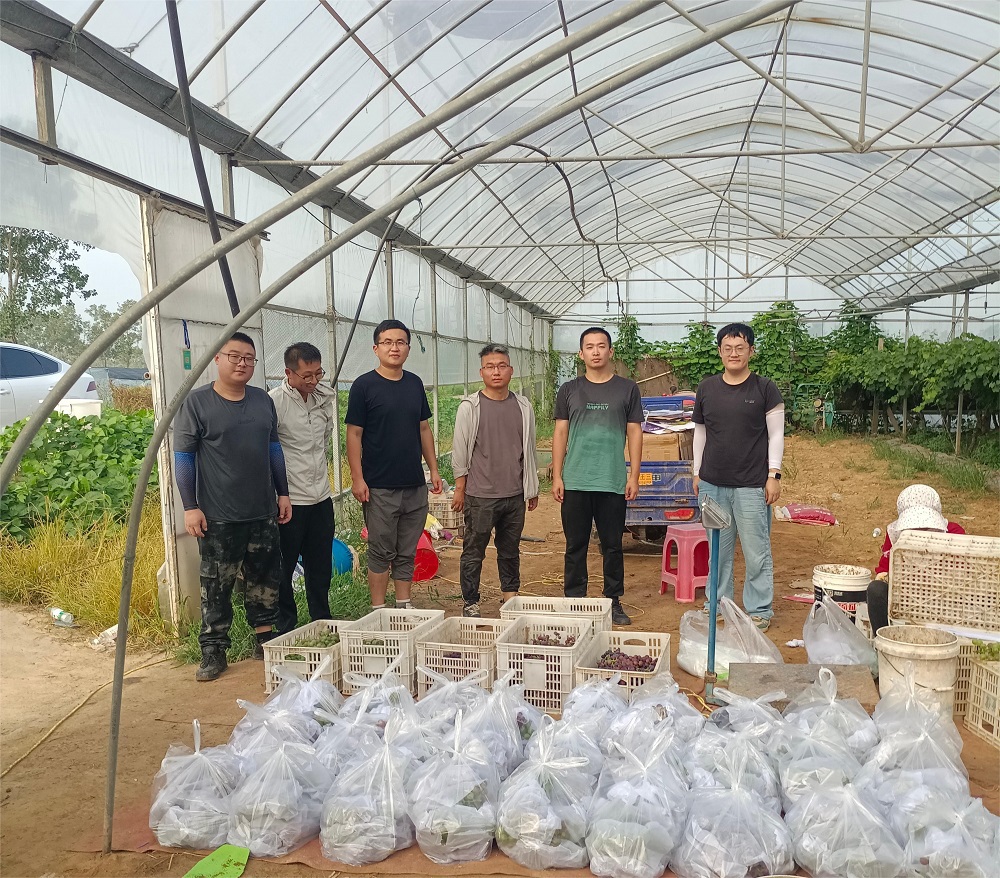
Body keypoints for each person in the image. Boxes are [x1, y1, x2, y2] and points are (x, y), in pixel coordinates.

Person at [174, 332, 292, 682]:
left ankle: (265, 639)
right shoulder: (197, 403)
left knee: (265, 579)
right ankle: (213, 650)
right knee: (216, 585)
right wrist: (190, 506)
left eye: (249, 358)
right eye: (235, 356)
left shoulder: (261, 400)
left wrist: (283, 493)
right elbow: (184, 458)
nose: (242, 363)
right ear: (218, 358)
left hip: (262, 511)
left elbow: (274, 449)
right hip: (219, 516)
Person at [692, 322, 784, 632]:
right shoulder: (707, 389)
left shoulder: (765, 389)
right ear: (720, 352)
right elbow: (700, 433)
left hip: (751, 484)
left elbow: (776, 435)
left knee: (757, 552)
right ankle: (718, 605)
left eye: (740, 348)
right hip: (712, 483)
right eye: (728, 348)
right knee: (718, 551)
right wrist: (697, 472)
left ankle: (759, 610)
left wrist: (774, 474)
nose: (734, 353)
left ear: (751, 351)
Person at [346, 319, 442, 610]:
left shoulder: (414, 383)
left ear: (408, 349)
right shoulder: (364, 386)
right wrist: (358, 478)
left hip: (413, 483)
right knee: (380, 550)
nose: (394, 348)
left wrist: (434, 469)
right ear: (376, 348)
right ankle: (378, 608)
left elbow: (423, 428)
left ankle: (403, 604)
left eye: (400, 342)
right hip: (379, 486)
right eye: (387, 342)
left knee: (407, 549)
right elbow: (354, 434)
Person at [552, 326, 642, 626]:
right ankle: (574, 600)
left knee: (613, 545)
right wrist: (557, 475)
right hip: (576, 479)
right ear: (581, 354)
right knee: (575, 545)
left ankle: (613, 600)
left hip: (612, 480)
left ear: (610, 351)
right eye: (589, 346)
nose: (595, 351)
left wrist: (634, 475)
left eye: (601, 346)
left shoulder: (627, 389)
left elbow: (634, 432)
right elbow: (560, 432)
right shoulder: (569, 390)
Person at [451, 344, 539, 617]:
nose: (496, 371)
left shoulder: (523, 406)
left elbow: (529, 450)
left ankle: (510, 598)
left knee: (510, 549)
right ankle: (471, 602)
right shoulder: (470, 408)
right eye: (490, 367)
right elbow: (460, 451)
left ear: (511, 371)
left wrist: (531, 487)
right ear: (482, 373)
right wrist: (460, 488)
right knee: (474, 550)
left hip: (514, 494)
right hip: (480, 495)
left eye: (502, 366)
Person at [270, 341, 335, 634]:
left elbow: (324, 441)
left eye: (318, 373)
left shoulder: (323, 397)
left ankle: (322, 619)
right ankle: (286, 624)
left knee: (319, 564)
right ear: (289, 373)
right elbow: (269, 450)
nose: (313, 380)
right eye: (306, 375)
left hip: (321, 496)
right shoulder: (275, 403)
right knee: (283, 566)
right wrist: (278, 493)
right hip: (291, 500)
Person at [867, 484, 966, 632]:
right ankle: (883, 638)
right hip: (904, 596)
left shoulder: (953, 533)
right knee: (876, 589)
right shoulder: (895, 534)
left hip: (944, 599)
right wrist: (885, 576)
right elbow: (884, 569)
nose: (919, 529)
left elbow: (964, 573)